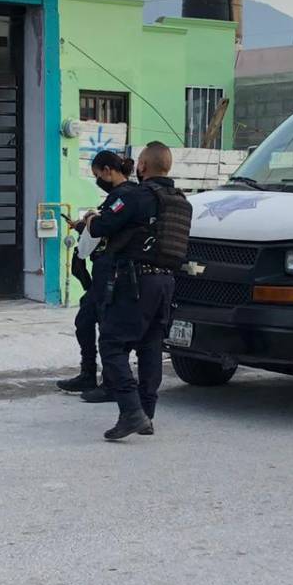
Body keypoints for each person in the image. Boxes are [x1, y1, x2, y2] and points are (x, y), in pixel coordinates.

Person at [84, 141, 191, 441]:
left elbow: (101, 226)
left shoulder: (138, 196)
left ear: (142, 167)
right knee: (150, 346)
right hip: (167, 283)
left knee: (112, 344)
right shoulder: (182, 201)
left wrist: (91, 220)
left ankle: (131, 411)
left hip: (136, 282)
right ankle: (147, 413)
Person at [56, 151, 135, 395]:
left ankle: (113, 383)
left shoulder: (125, 196)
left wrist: (90, 221)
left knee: (108, 330)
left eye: (97, 174)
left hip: (114, 271)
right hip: (102, 271)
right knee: (85, 321)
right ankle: (88, 373)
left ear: (107, 170)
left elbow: (104, 228)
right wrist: (84, 225)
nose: (98, 179)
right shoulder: (114, 198)